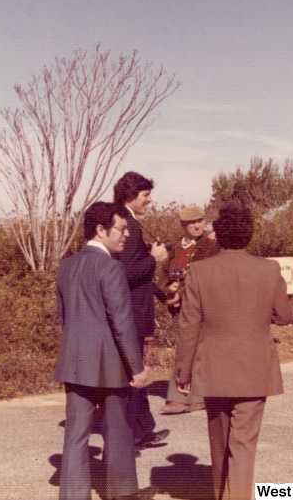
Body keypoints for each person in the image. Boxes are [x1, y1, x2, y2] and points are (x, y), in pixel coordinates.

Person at [175, 203, 293, 500]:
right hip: (255, 368)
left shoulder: (199, 272)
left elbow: (188, 326)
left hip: (213, 370)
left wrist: (183, 372)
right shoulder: (269, 269)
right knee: (243, 446)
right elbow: (284, 316)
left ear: (219, 235)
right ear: (249, 235)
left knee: (219, 443)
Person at [53, 202, 157, 500]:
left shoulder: (66, 266)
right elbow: (121, 322)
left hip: (75, 363)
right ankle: (122, 494)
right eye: (121, 229)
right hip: (111, 365)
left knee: (76, 434)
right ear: (101, 230)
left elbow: (64, 317)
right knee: (119, 431)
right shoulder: (111, 267)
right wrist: (137, 368)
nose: (126, 235)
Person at [112, 171, 170, 451]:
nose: (149, 200)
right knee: (135, 373)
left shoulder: (126, 223)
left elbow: (137, 270)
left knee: (135, 373)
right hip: (132, 313)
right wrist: (153, 258)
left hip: (132, 309)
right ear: (130, 196)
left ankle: (143, 429)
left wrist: (163, 294)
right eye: (145, 195)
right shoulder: (130, 227)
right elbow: (126, 272)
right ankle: (133, 434)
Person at [155, 205, 219, 415]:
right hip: (176, 305)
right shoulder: (175, 246)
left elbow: (200, 276)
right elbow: (164, 272)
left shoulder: (210, 246)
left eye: (200, 220)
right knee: (188, 347)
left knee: (190, 347)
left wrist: (179, 294)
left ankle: (179, 398)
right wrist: (166, 292)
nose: (197, 225)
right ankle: (198, 397)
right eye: (192, 222)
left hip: (197, 304)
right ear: (183, 225)